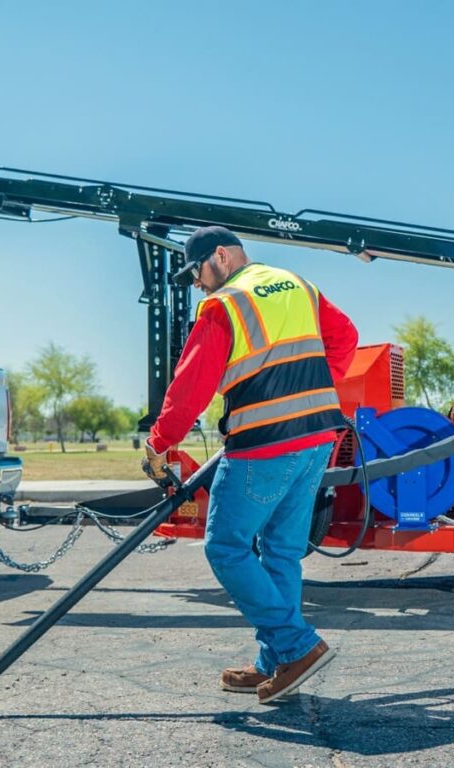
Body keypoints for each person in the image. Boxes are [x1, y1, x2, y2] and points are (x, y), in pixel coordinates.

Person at [142, 225, 358, 704]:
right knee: (280, 551)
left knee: (226, 547)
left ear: (220, 256)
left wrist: (159, 444)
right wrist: (313, 393)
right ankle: (275, 661)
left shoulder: (225, 304)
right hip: (316, 438)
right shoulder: (297, 285)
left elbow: (191, 386)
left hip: (264, 444)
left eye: (196, 272)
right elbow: (346, 337)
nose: (196, 283)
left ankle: (297, 646)